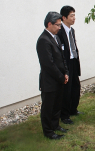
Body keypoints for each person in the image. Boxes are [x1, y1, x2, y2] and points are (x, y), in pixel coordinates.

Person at [36, 12, 69, 140]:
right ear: (49, 24)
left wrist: (66, 73)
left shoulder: (56, 37)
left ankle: (55, 125)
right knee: (48, 108)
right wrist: (61, 77)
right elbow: (48, 64)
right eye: (58, 25)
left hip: (60, 79)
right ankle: (48, 131)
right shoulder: (43, 40)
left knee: (57, 106)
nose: (60, 28)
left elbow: (62, 58)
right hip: (49, 81)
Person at [57, 6, 82, 125]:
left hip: (73, 61)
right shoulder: (59, 31)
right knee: (66, 90)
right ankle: (64, 115)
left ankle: (73, 109)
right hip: (65, 63)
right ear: (64, 17)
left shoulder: (72, 31)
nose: (74, 18)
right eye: (71, 15)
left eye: (74, 15)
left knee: (75, 87)